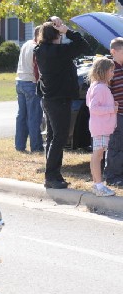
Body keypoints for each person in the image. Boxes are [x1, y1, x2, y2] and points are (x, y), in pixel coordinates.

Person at [34, 18, 89, 189]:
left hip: (48, 99)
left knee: (52, 138)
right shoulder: (60, 51)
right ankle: (51, 176)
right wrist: (67, 31)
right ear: (56, 36)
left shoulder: (40, 50)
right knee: (59, 138)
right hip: (59, 100)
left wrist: (53, 23)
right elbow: (83, 45)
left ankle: (54, 174)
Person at [85, 57, 117, 196]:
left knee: (97, 156)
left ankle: (97, 184)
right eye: (111, 71)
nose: (113, 74)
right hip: (101, 128)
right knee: (98, 156)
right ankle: (98, 186)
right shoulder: (100, 88)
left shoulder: (95, 86)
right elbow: (93, 108)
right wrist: (112, 109)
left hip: (100, 127)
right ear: (103, 71)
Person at [15, 25, 43, 153]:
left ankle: (20, 145)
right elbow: (37, 68)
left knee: (22, 116)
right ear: (39, 35)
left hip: (20, 81)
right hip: (31, 83)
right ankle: (36, 146)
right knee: (34, 116)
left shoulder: (26, 44)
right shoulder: (37, 48)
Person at [104, 37, 123, 186]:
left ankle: (119, 173)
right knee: (115, 145)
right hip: (116, 113)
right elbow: (105, 92)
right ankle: (112, 176)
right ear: (113, 51)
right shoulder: (110, 69)